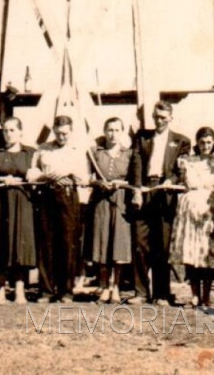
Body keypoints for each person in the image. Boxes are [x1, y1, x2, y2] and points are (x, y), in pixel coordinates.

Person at [130, 101, 191, 306]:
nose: (159, 121)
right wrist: (137, 190)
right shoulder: (142, 137)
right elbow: (136, 163)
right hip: (145, 191)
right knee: (140, 244)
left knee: (161, 246)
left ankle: (162, 294)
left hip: (165, 195)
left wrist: (171, 181)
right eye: (156, 117)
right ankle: (140, 292)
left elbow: (181, 170)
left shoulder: (181, 141)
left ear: (171, 118)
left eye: (163, 117)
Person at [28, 115, 89, 303]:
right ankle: (46, 290)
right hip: (46, 195)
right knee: (46, 242)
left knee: (67, 243)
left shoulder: (77, 151)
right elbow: (31, 173)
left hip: (68, 196)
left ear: (70, 132)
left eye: (65, 133)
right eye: (59, 133)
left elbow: (84, 177)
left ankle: (66, 291)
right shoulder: (43, 149)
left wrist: (67, 173)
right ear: (53, 130)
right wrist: (46, 176)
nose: (62, 137)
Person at [0, 116, 37, 305]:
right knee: (0, 241)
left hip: (22, 202)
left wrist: (33, 175)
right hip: (0, 202)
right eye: (5, 130)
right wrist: (1, 180)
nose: (9, 134)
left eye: (12, 130)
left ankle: (19, 289)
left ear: (20, 131)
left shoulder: (30, 153)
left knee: (20, 245)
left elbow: (38, 174)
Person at [169, 127, 214, 311]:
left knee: (206, 255)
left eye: (209, 142)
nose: (206, 146)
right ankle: (194, 295)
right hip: (189, 209)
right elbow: (177, 180)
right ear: (197, 143)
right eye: (202, 142)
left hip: (208, 211)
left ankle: (206, 297)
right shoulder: (187, 162)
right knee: (191, 254)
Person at [89, 117, 134, 305]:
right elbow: (89, 176)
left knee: (118, 245)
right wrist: (99, 182)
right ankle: (104, 287)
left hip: (121, 200)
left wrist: (120, 183)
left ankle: (116, 287)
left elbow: (133, 178)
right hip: (101, 200)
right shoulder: (96, 153)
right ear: (104, 131)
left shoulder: (129, 154)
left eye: (117, 130)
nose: (112, 134)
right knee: (102, 243)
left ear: (122, 132)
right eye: (109, 130)